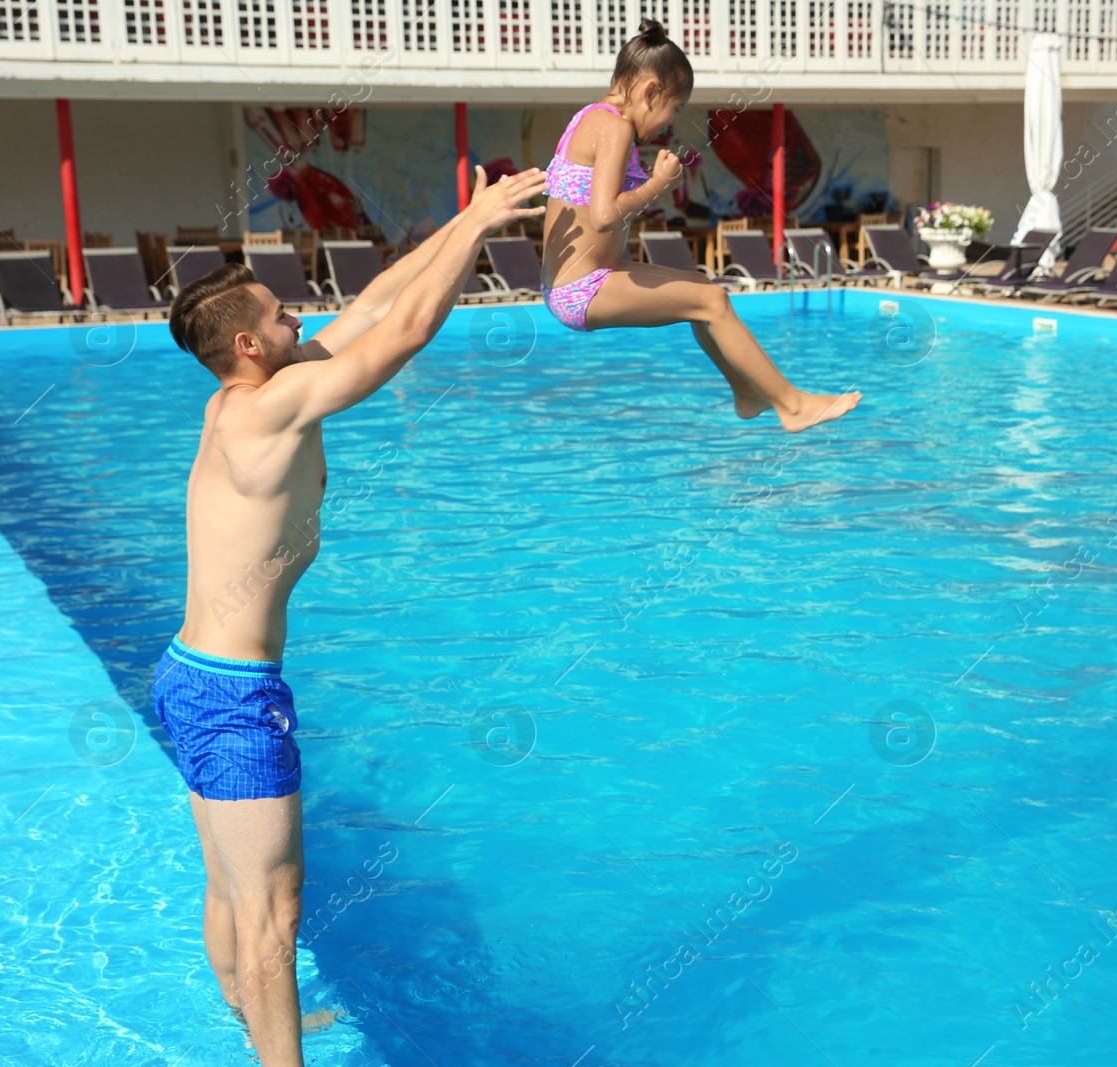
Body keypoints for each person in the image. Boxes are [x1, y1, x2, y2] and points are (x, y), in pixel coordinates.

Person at [154, 166, 547, 1067]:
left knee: (231, 880)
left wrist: (473, 217)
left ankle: (251, 1020)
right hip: (232, 693)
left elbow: (376, 300)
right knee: (277, 907)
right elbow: (406, 330)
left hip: (192, 669)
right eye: (283, 313)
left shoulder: (245, 394)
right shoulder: (275, 408)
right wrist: (484, 230)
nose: (303, 318)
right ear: (250, 343)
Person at [539, 18, 861, 434]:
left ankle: (747, 395)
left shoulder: (589, 118)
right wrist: (657, 183)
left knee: (704, 288)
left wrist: (652, 186)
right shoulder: (615, 128)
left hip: (582, 278)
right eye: (675, 108)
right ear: (650, 91)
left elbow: (595, 212)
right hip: (582, 288)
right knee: (713, 303)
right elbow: (603, 216)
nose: (670, 123)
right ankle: (793, 406)